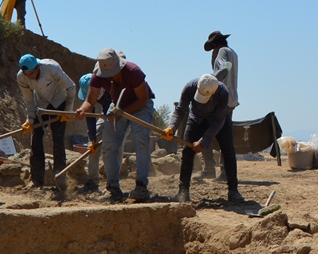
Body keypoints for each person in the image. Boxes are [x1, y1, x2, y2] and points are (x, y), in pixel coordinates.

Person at [75, 48, 155, 203]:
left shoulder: (134, 72)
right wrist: (82, 110)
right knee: (109, 144)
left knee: (140, 140)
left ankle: (141, 186)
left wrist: (122, 113)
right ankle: (113, 187)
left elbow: (143, 99)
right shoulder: (97, 75)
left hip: (140, 106)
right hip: (117, 105)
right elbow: (90, 101)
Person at [165, 74, 243, 205]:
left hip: (219, 121)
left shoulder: (223, 93)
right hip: (196, 119)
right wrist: (171, 127)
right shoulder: (190, 87)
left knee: (228, 151)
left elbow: (218, 122)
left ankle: (233, 191)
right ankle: (183, 191)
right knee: (187, 152)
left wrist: (204, 141)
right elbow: (180, 110)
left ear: (214, 92)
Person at [16, 54, 75, 190]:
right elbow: (29, 100)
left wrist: (67, 110)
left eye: (32, 73)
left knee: (58, 141)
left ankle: (60, 178)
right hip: (40, 105)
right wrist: (29, 120)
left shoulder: (51, 68)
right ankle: (36, 181)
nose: (29, 77)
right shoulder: (21, 77)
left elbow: (71, 87)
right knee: (35, 140)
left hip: (59, 103)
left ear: (38, 66)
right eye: (27, 74)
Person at [202, 31, 238, 180]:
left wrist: (210, 86)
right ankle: (225, 171)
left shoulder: (222, 52)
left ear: (215, 45)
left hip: (220, 99)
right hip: (231, 98)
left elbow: (223, 69)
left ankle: (210, 168)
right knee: (225, 136)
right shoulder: (232, 53)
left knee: (203, 130)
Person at [75, 74, 110, 194]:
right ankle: (92, 182)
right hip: (104, 114)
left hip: (119, 116)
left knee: (112, 146)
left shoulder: (109, 89)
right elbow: (89, 116)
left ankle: (112, 184)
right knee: (94, 146)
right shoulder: (92, 93)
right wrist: (92, 140)